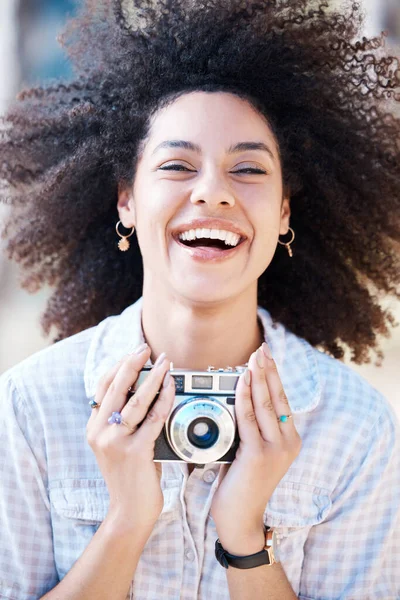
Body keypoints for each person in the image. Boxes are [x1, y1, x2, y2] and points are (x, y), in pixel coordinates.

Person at [0, 0, 399, 598]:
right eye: (177, 165)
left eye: (249, 170)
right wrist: (128, 521)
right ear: (126, 201)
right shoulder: (32, 409)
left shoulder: (354, 429)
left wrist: (243, 537)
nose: (212, 192)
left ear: (284, 210)